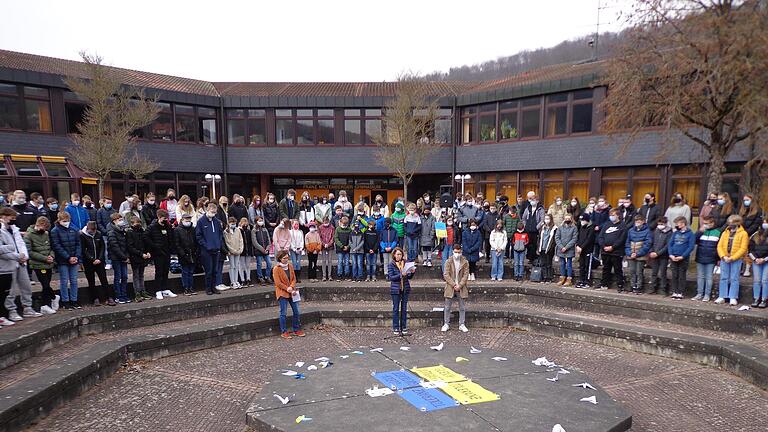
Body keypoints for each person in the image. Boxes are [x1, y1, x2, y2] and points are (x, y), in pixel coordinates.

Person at [0, 208, 43, 321]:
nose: (13, 220)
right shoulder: (1, 231)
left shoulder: (15, 229)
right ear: (4, 216)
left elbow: (20, 244)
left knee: (26, 286)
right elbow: (3, 251)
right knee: (12, 289)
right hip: (9, 264)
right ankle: (11, 310)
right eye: (11, 218)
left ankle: (27, 307)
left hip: (21, 262)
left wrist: (24, 256)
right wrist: (17, 256)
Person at [24, 217, 58, 313]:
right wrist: (44, 258)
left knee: (46, 284)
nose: (45, 230)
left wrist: (51, 256)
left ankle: (47, 303)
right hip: (38, 264)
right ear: (39, 225)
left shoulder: (46, 234)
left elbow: (50, 247)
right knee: (45, 284)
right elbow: (29, 251)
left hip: (48, 263)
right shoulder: (29, 235)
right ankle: (47, 303)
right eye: (44, 227)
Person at [50, 211, 82, 309]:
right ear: (59, 220)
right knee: (64, 281)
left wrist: (76, 256)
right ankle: (65, 301)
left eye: (68, 221)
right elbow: (57, 246)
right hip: (63, 260)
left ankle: (74, 300)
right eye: (64, 221)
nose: (66, 222)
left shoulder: (73, 229)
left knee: (74, 281)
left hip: (74, 258)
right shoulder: (55, 231)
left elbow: (78, 244)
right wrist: (68, 257)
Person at [80, 221, 115, 306]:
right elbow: (83, 250)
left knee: (104, 280)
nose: (94, 233)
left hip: (99, 261)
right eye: (92, 231)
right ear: (88, 229)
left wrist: (99, 258)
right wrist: (92, 259)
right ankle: (94, 298)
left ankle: (109, 297)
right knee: (91, 281)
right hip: (88, 262)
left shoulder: (98, 234)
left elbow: (102, 247)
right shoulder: (82, 235)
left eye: (95, 231)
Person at [272, 250, 305, 339]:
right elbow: (278, 283)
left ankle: (296, 329)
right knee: (283, 312)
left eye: (287, 258)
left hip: (292, 292)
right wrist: (287, 288)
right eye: (284, 258)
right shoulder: (276, 268)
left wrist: (291, 286)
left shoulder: (290, 266)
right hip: (282, 293)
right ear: (280, 258)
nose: (286, 260)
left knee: (296, 311)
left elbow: (294, 278)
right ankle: (284, 331)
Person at [146, 209, 177, 299]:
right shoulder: (152, 227)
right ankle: (158, 290)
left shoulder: (167, 226)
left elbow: (171, 237)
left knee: (165, 271)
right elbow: (146, 237)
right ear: (159, 217)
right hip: (158, 253)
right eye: (164, 218)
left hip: (166, 251)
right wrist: (154, 246)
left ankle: (165, 289)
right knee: (159, 272)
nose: (165, 220)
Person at [196, 202, 225, 295]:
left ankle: (214, 287)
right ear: (207, 210)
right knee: (209, 270)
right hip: (206, 250)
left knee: (215, 270)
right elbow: (198, 236)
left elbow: (220, 234)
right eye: (212, 212)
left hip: (216, 249)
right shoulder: (201, 221)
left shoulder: (216, 221)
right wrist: (206, 245)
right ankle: (208, 288)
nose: (213, 214)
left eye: (214, 212)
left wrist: (219, 243)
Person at [597, 209, 627, 292]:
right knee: (606, 268)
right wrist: (603, 246)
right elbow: (601, 236)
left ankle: (620, 284)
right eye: (610, 215)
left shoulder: (622, 225)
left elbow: (622, 239)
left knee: (618, 269)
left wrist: (613, 247)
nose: (611, 217)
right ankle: (604, 283)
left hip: (616, 252)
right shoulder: (607, 224)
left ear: (618, 215)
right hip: (605, 251)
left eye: (613, 215)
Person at [442, 243, 469, 333]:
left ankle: (462, 324)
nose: (457, 254)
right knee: (447, 307)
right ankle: (446, 323)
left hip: (461, 287)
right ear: (453, 251)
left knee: (462, 307)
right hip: (450, 286)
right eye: (455, 252)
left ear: (461, 251)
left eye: (458, 252)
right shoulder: (448, 261)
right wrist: (454, 284)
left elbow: (466, 275)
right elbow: (446, 274)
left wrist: (460, 285)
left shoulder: (465, 262)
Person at [667, 216, 695, 300]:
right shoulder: (675, 233)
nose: (676, 225)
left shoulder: (690, 234)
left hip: (683, 257)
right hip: (673, 256)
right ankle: (674, 291)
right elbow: (670, 244)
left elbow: (691, 247)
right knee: (674, 275)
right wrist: (671, 254)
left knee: (681, 275)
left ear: (683, 224)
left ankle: (680, 292)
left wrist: (683, 256)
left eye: (677, 224)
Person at [388, 247, 415, 335]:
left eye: (400, 254)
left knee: (404, 308)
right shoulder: (391, 264)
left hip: (405, 288)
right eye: (397, 254)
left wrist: (412, 272)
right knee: (396, 308)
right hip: (395, 289)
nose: (399, 256)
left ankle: (403, 326)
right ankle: (395, 327)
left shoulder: (406, 263)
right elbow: (391, 277)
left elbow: (409, 276)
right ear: (394, 255)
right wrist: (400, 275)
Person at [624, 214, 653, 294]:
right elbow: (627, 243)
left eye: (639, 221)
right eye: (636, 221)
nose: (637, 223)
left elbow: (647, 244)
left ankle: (639, 286)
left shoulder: (647, 231)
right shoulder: (631, 230)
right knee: (632, 270)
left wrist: (638, 253)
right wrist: (629, 253)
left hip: (641, 255)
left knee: (639, 271)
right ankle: (632, 285)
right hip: (631, 253)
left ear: (643, 222)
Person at [694, 215, 721, 302]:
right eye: (704, 223)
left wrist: (718, 259)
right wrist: (699, 232)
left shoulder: (718, 232)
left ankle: (707, 295)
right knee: (700, 276)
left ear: (712, 223)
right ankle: (699, 293)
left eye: (707, 223)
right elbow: (693, 240)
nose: (705, 225)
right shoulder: (701, 232)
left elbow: (719, 246)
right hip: (700, 256)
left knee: (709, 277)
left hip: (711, 257)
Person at [126, 215, 152, 302]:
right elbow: (130, 247)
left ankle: (142, 291)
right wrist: (141, 254)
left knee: (141, 275)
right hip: (136, 257)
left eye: (139, 222)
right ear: (132, 224)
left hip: (143, 256)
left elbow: (146, 243)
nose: (138, 224)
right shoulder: (130, 233)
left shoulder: (142, 231)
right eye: (137, 223)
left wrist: (147, 251)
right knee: (136, 275)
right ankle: (137, 292)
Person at [107, 213, 131, 303]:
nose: (121, 221)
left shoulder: (123, 231)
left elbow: (126, 244)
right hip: (116, 258)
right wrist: (124, 256)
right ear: (114, 221)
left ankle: (124, 295)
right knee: (118, 277)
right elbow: (114, 246)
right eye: (119, 220)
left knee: (124, 276)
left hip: (124, 256)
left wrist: (126, 256)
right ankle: (118, 296)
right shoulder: (111, 232)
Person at [739, 193, 762, 277]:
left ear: (752, 200)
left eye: (747, 200)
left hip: (751, 234)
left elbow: (756, 224)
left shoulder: (758, 211)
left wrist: (746, 232)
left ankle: (747, 269)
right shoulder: (742, 210)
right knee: (741, 251)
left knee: (748, 251)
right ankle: (741, 268)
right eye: (744, 200)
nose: (745, 202)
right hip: (741, 233)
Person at [648, 217, 672, 295]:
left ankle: (663, 289)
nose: (660, 226)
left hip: (663, 256)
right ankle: (653, 288)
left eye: (661, 224)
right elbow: (651, 242)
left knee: (663, 273)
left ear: (665, 224)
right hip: (654, 255)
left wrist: (658, 253)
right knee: (654, 272)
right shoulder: (656, 231)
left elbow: (667, 246)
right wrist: (651, 251)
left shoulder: (669, 233)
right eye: (658, 224)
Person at [175, 213, 198, 295]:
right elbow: (177, 244)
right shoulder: (177, 230)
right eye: (186, 220)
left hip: (193, 254)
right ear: (182, 220)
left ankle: (191, 287)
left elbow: (196, 241)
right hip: (184, 255)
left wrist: (196, 251)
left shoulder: (193, 229)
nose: (188, 221)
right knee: (185, 272)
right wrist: (183, 254)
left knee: (191, 272)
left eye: (189, 219)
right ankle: (186, 288)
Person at [748, 217, 768, 308]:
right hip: (756, 260)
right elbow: (750, 250)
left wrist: (764, 259)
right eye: (763, 222)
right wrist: (755, 259)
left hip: (766, 261)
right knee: (757, 280)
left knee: (765, 280)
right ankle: (756, 298)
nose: (764, 224)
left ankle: (764, 299)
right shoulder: (754, 235)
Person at [555, 213, 578, 286]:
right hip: (561, 248)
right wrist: (561, 247)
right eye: (566, 218)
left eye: (568, 219)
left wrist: (566, 247)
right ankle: (562, 278)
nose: (567, 220)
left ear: (571, 219)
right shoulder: (560, 227)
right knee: (562, 264)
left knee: (569, 264)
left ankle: (569, 279)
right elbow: (557, 237)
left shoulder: (574, 228)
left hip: (569, 249)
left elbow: (574, 239)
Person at [575, 213, 596, 288]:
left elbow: (589, 239)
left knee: (587, 266)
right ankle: (581, 280)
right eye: (581, 220)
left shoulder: (591, 228)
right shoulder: (581, 227)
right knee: (582, 265)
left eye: (583, 220)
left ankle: (587, 281)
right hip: (580, 250)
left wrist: (582, 247)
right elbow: (578, 237)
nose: (582, 222)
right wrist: (577, 245)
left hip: (588, 250)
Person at [522, 194, 545, 262]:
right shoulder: (528, 208)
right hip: (528, 229)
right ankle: (529, 258)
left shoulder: (540, 209)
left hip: (536, 230)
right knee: (528, 244)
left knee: (535, 244)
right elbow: (523, 218)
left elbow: (542, 220)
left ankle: (534, 258)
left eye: (534, 200)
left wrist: (537, 227)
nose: (532, 201)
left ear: (537, 201)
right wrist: (525, 225)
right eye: (531, 200)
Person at [251, 216, 273, 285]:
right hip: (258, 250)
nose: (261, 222)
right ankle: (260, 277)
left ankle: (267, 276)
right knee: (259, 264)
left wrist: (267, 248)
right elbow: (254, 242)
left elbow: (268, 239)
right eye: (259, 220)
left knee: (269, 263)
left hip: (266, 250)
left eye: (261, 220)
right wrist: (262, 249)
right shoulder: (254, 230)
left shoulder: (265, 229)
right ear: (256, 221)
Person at [96, 196, 117, 270]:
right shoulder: (100, 211)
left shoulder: (114, 211)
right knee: (106, 249)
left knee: (114, 247)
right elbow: (99, 223)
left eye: (110, 202)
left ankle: (114, 262)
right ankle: (108, 262)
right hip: (104, 233)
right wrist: (105, 231)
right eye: (107, 202)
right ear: (103, 202)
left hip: (113, 233)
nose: (109, 204)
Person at [223, 216, 244, 289]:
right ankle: (232, 282)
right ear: (228, 223)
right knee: (232, 266)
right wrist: (233, 250)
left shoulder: (238, 230)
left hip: (238, 250)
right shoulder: (226, 232)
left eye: (234, 223)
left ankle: (236, 280)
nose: (233, 225)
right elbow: (227, 242)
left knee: (237, 265)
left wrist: (240, 249)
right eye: (232, 223)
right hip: (231, 252)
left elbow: (241, 240)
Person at [537, 214, 558, 283]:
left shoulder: (554, 228)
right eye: (545, 219)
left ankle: (549, 277)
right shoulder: (542, 228)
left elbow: (554, 240)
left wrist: (550, 248)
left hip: (549, 249)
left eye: (548, 219)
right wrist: (538, 248)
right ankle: (544, 277)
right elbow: (539, 238)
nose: (546, 220)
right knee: (543, 263)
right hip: (542, 248)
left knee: (549, 264)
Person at [334, 216, 352, 281]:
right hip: (340, 249)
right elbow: (336, 239)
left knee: (347, 262)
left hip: (347, 249)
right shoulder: (337, 229)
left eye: (346, 224)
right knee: (340, 262)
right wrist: (342, 246)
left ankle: (347, 275)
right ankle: (339, 274)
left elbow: (351, 239)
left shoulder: (349, 229)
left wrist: (348, 246)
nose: (344, 225)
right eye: (343, 224)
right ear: (340, 222)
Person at [317, 217, 334, 282]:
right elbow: (319, 237)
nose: (326, 223)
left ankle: (329, 275)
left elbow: (333, 237)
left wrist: (329, 244)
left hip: (330, 246)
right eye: (325, 222)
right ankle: (324, 276)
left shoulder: (332, 227)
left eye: (327, 222)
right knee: (323, 261)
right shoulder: (320, 227)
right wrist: (324, 244)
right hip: (323, 246)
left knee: (330, 261)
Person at [238, 217, 253, 287]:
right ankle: (242, 280)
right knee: (241, 266)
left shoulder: (248, 231)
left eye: (246, 222)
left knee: (248, 265)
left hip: (248, 250)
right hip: (242, 250)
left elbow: (250, 241)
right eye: (243, 222)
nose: (245, 224)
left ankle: (248, 278)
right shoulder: (239, 231)